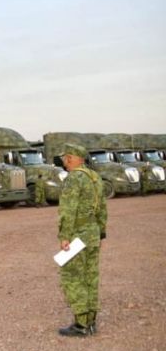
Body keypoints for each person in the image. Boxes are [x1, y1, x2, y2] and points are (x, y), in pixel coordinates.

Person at [57, 143, 108, 337]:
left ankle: (81, 324)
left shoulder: (74, 178)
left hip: (77, 234)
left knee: (72, 276)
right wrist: (101, 232)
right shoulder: (95, 177)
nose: (64, 162)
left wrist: (64, 236)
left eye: (65, 158)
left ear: (70, 158)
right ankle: (91, 321)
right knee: (90, 277)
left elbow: (68, 210)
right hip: (93, 234)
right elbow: (102, 208)